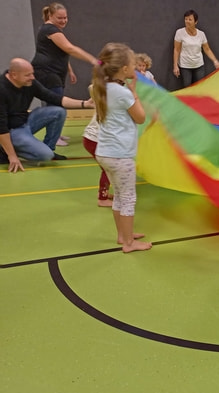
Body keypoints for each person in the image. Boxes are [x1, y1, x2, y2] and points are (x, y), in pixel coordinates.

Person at [92, 42, 151, 253]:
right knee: (128, 198)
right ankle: (129, 243)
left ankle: (122, 235)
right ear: (124, 69)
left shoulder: (104, 87)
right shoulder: (122, 92)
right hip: (120, 155)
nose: (135, 67)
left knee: (119, 195)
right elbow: (141, 117)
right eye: (133, 64)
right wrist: (133, 92)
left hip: (106, 153)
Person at [0, 58, 92, 172]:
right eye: (28, 75)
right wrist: (12, 155)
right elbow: (1, 127)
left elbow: (54, 98)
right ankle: (5, 150)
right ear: (14, 75)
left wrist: (85, 104)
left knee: (59, 112)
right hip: (10, 131)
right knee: (45, 156)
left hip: (24, 121)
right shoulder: (2, 89)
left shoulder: (30, 83)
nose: (32, 77)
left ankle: (48, 148)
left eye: (32, 73)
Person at [31, 2, 99, 146]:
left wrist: (69, 70)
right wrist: (93, 60)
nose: (63, 21)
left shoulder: (53, 29)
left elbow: (59, 52)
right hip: (47, 72)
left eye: (65, 18)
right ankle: (52, 138)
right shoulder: (50, 29)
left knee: (56, 103)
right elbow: (69, 48)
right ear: (50, 15)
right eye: (59, 18)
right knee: (55, 104)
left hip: (54, 71)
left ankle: (56, 134)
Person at [173, 9, 219, 88]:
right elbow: (176, 49)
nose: (187, 21)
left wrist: (215, 61)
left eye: (190, 19)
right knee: (187, 86)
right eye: (186, 19)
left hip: (199, 65)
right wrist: (175, 66)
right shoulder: (179, 32)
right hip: (185, 65)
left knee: (200, 86)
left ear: (195, 22)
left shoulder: (201, 34)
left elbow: (207, 49)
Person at [82, 85, 112, 207]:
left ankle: (104, 193)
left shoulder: (105, 100)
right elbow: (92, 86)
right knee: (108, 169)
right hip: (95, 140)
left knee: (108, 168)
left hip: (92, 139)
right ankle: (102, 199)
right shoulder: (110, 101)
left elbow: (92, 87)